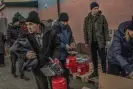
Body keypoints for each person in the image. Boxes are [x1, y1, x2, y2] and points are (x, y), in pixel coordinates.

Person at [11, 11, 60, 89]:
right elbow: (14, 49)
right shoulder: (25, 35)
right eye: (27, 24)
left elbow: (57, 46)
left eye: (31, 24)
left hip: (50, 64)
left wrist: (55, 57)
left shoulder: (50, 32)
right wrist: (25, 55)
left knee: (54, 85)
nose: (28, 27)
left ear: (37, 24)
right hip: (37, 67)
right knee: (42, 86)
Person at [83, 2, 110, 78]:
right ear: (91, 9)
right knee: (94, 58)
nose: (97, 10)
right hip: (92, 43)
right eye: (95, 8)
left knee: (103, 58)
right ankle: (95, 72)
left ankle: (104, 73)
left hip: (100, 42)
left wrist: (107, 39)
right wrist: (86, 41)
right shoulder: (87, 19)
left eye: (97, 8)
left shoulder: (102, 17)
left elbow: (106, 29)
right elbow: (85, 31)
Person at [52, 12, 75, 89]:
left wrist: (72, 42)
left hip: (66, 54)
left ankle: (67, 86)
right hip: (58, 55)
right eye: (64, 22)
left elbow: (71, 36)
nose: (65, 23)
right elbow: (55, 41)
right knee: (60, 73)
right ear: (60, 20)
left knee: (66, 72)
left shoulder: (68, 27)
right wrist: (65, 46)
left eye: (66, 21)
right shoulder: (55, 28)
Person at [7, 12, 29, 80]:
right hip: (13, 48)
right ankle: (13, 73)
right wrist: (17, 41)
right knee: (13, 62)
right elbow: (9, 39)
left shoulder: (20, 28)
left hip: (20, 48)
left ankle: (22, 75)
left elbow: (23, 35)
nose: (19, 23)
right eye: (18, 22)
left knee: (21, 62)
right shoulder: (9, 28)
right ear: (14, 22)